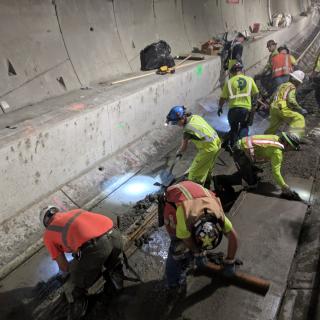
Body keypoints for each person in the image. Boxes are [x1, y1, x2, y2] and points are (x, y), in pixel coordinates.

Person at [40, 206, 123, 318]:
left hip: (98, 247)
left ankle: (80, 308)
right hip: (116, 235)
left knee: (71, 285)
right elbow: (87, 232)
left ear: (46, 223)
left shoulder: (48, 235)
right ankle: (116, 278)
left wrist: (75, 268)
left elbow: (64, 267)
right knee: (109, 260)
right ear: (56, 212)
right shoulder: (75, 211)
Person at [159, 180, 238, 291]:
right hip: (176, 201)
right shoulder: (184, 213)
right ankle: (173, 283)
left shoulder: (218, 214)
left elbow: (233, 236)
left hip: (196, 195)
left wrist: (230, 261)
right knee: (177, 250)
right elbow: (185, 237)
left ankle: (192, 257)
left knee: (192, 245)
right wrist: (198, 253)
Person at [214, 132, 302, 200]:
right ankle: (219, 179)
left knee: (252, 174)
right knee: (251, 184)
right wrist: (284, 186)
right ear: (287, 143)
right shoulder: (277, 152)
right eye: (291, 148)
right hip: (240, 152)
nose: (290, 150)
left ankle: (245, 174)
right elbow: (276, 172)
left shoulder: (275, 138)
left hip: (241, 145)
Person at [166, 106, 221, 187]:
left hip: (208, 149)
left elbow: (184, 147)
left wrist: (179, 152)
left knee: (194, 174)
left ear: (182, 118)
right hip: (217, 142)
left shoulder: (187, 130)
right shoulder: (195, 117)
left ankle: (198, 191)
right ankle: (207, 186)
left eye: (176, 122)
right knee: (207, 168)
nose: (177, 125)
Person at [218, 62, 259, 147]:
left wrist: (220, 107)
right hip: (245, 109)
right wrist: (254, 104)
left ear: (232, 72)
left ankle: (233, 147)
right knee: (244, 126)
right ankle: (243, 146)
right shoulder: (249, 80)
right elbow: (256, 93)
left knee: (233, 129)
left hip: (233, 110)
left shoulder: (229, 82)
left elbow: (223, 98)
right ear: (242, 71)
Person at [264, 70, 307, 137]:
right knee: (299, 118)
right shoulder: (292, 87)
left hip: (273, 108)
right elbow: (291, 100)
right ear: (297, 81)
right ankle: (294, 136)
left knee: (272, 129)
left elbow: (273, 96)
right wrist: (300, 109)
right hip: (281, 108)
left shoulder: (282, 85)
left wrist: (269, 105)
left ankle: (264, 139)